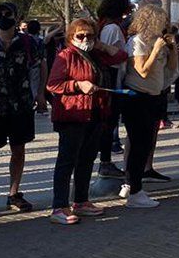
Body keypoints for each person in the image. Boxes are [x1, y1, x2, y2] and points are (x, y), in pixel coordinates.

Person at [46, 18, 128, 225]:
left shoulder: (95, 54)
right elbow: (53, 84)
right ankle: (59, 206)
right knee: (67, 160)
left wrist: (100, 44)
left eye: (90, 35)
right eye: (80, 35)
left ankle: (81, 200)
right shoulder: (66, 56)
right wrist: (77, 85)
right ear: (71, 37)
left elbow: (121, 55)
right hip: (73, 114)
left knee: (86, 158)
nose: (85, 39)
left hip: (95, 113)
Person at [0, 2, 43, 215]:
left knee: (18, 148)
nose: (4, 17)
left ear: (16, 15)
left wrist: (40, 94)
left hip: (21, 102)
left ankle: (14, 193)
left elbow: (40, 66)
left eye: (8, 13)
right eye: (0, 14)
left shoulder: (30, 43)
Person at [121, 4, 179, 208]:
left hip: (154, 96)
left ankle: (134, 185)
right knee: (138, 144)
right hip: (137, 97)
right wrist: (155, 51)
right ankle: (134, 190)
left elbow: (171, 68)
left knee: (145, 144)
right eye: (162, 21)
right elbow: (142, 71)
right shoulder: (137, 42)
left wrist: (173, 50)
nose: (165, 24)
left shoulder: (159, 42)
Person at [96, 0, 132, 180]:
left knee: (110, 124)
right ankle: (105, 162)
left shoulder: (110, 26)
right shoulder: (112, 29)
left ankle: (106, 161)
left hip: (113, 79)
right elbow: (107, 56)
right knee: (108, 124)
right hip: (111, 80)